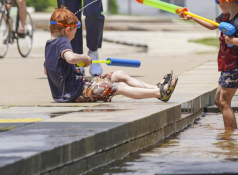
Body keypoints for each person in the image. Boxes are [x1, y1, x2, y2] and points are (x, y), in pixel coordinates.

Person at [44, 7, 177, 103]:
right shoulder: (62, 41)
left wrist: (73, 67)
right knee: (119, 87)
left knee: (119, 74)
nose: (74, 35)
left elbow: (47, 70)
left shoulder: (49, 45)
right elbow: (71, 58)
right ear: (67, 30)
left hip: (70, 91)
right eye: (74, 31)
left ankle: (155, 87)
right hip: (76, 92)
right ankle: (159, 93)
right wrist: (83, 58)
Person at [180, 0, 238, 130]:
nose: (217, 3)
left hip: (235, 66)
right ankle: (232, 132)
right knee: (219, 102)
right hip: (228, 65)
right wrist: (193, 16)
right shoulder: (226, 16)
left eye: (217, 0)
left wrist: (233, 40)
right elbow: (212, 25)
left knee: (224, 102)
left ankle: (229, 137)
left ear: (227, 2)